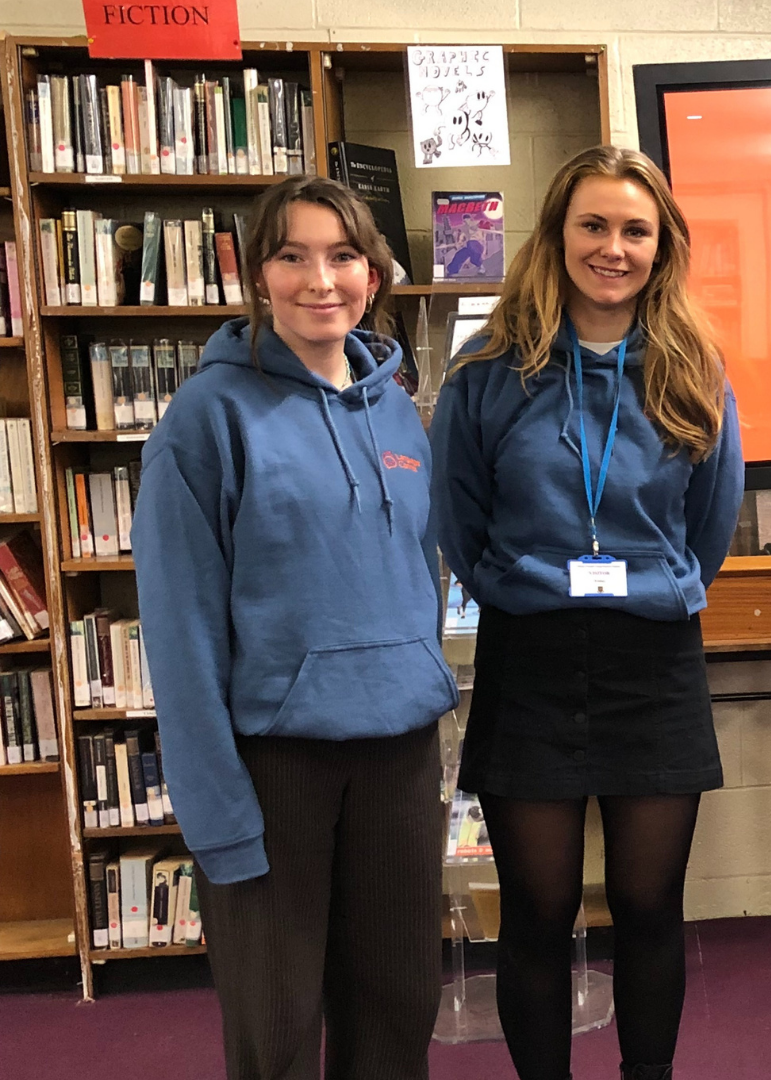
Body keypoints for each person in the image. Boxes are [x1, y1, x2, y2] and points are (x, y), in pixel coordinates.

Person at [429, 144, 743, 1080]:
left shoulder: (692, 370)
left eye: (635, 230)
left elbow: (709, 529)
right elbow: (459, 519)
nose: (614, 247)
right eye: (594, 226)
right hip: (532, 659)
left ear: (662, 247)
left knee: (650, 907)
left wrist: (647, 585)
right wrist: (531, 584)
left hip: (654, 662)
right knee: (537, 910)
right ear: (557, 236)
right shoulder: (489, 371)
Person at [133, 175, 458, 1080]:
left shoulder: (397, 407)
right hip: (277, 767)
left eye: (344, 255)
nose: (321, 279)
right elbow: (180, 630)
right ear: (258, 274)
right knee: (276, 1030)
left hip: (399, 756)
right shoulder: (208, 419)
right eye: (292, 255)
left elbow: (414, 576)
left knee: (398, 1013)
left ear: (375, 271)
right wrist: (219, 816)